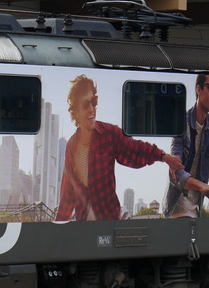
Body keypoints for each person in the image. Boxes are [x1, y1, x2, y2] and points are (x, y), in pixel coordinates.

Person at [56, 75, 183, 221]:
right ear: (75, 110)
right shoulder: (71, 147)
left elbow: (135, 149)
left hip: (109, 224)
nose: (91, 109)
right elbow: (67, 195)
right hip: (83, 228)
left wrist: (163, 156)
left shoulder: (108, 134)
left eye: (94, 103)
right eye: (86, 104)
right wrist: (54, 229)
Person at [164, 73, 209, 217]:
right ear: (198, 90)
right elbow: (176, 170)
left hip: (196, 210)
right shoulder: (181, 121)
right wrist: (203, 187)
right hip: (176, 210)